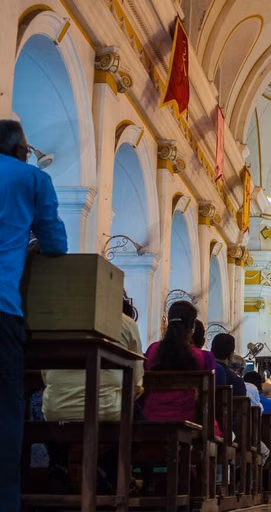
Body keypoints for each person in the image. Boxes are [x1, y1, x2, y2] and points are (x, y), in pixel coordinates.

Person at [0, 119, 68, 509]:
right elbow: (56, 242)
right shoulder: (31, 179)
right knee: (6, 412)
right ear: (19, 150)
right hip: (3, 309)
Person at [42, 292, 144, 492]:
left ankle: (59, 466)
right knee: (142, 427)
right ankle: (106, 468)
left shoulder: (61, 323)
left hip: (56, 409)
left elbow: (46, 375)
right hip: (106, 410)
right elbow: (136, 380)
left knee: (60, 410)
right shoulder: (126, 323)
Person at [142, 301, 218, 424]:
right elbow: (210, 395)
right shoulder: (204, 357)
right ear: (192, 328)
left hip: (151, 417)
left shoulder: (152, 350)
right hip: (190, 420)